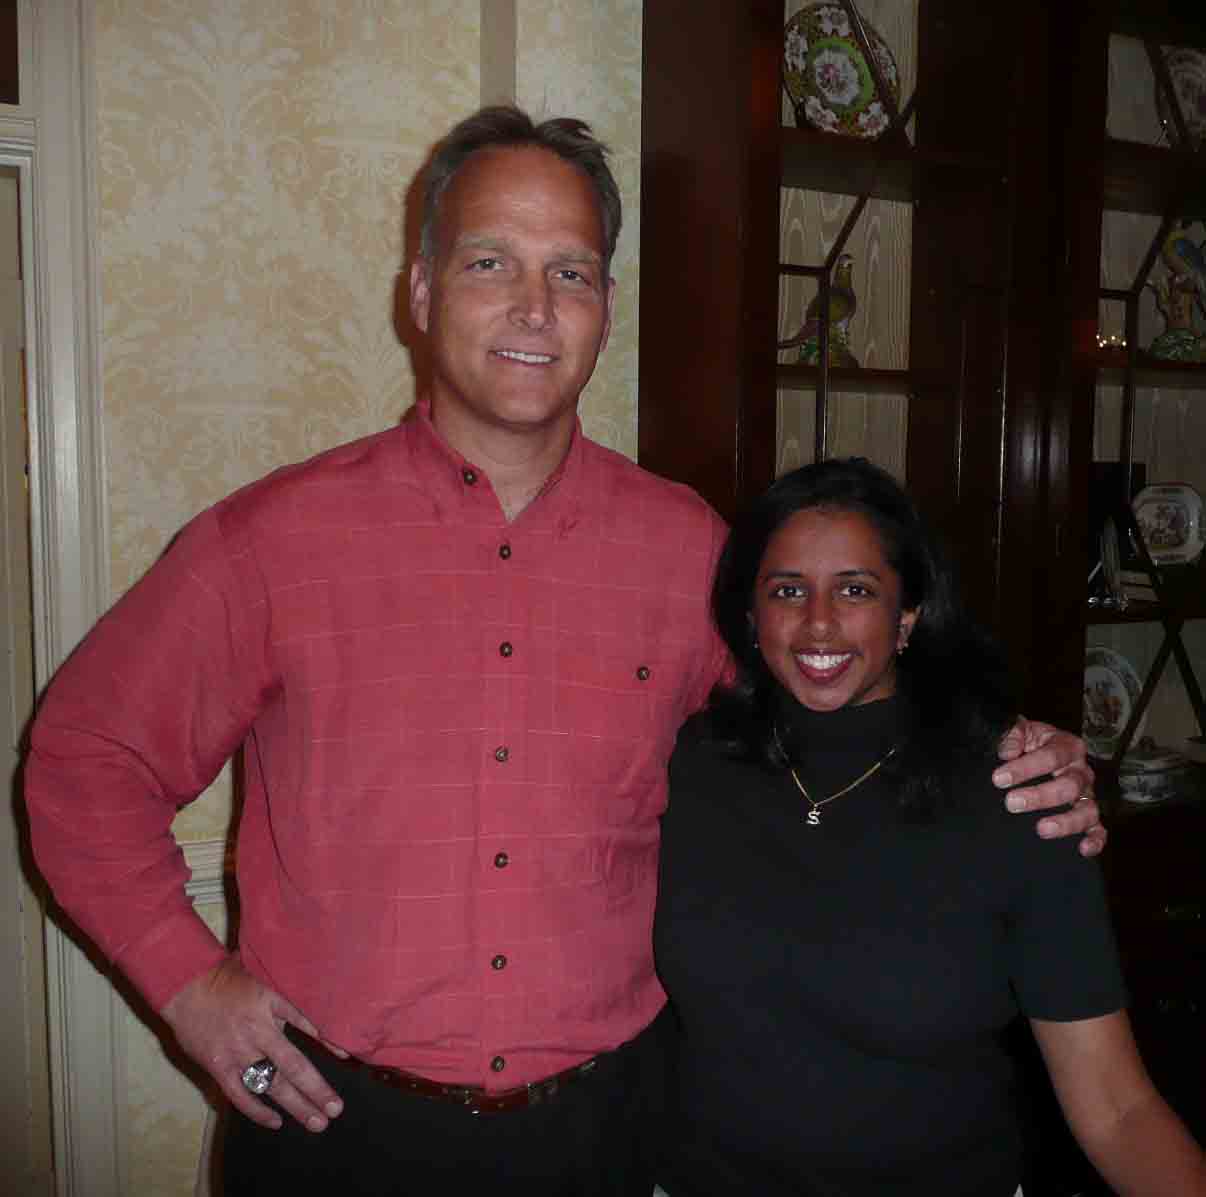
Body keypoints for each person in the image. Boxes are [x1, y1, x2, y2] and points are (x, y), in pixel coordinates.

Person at [25, 108, 1100, 1196]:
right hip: (336, 1130)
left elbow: (829, 723)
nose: (534, 307)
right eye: (490, 262)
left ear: (605, 308)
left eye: (571, 272)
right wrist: (188, 983)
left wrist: (1004, 754)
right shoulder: (269, 543)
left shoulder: (689, 550)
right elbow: (83, 760)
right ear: (422, 292)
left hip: (610, 1131)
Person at [653, 457, 1205, 1197]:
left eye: (856, 589)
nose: (819, 621)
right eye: (787, 589)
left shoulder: (1019, 795)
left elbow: (1116, 1108)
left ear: (907, 614)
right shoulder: (694, 764)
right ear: (751, 616)